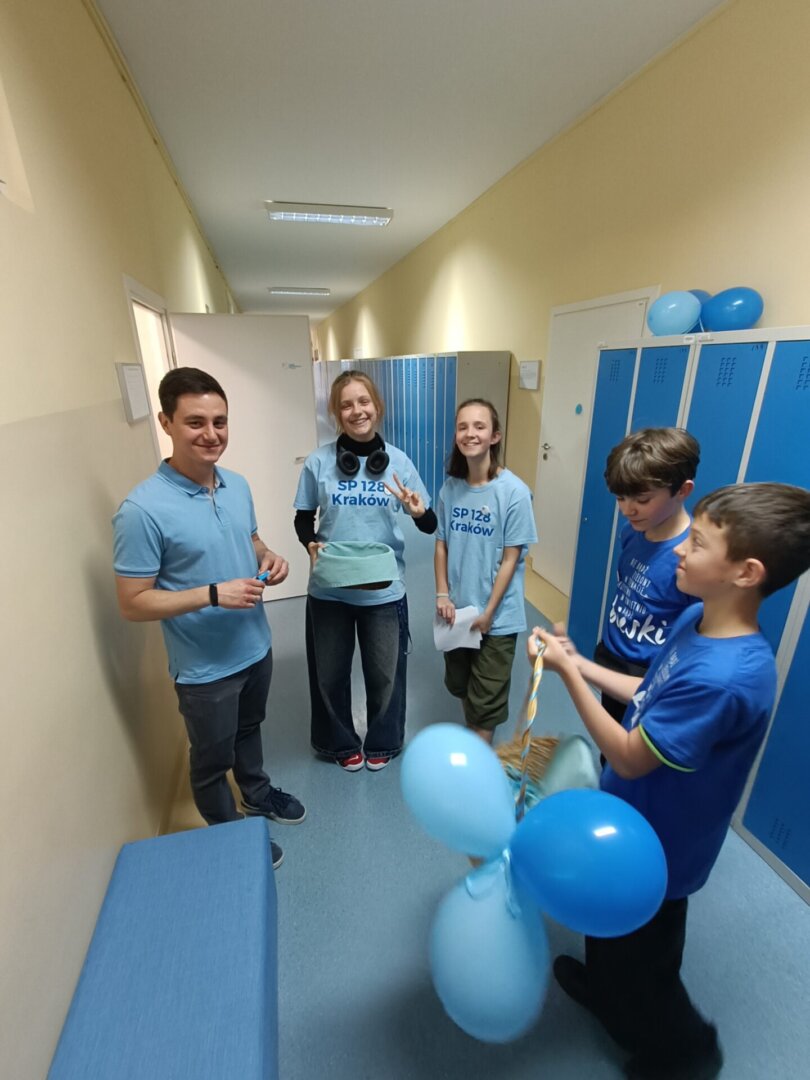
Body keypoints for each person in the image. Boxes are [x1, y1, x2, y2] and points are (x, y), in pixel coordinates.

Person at [530, 482, 810, 1080]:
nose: (680, 548)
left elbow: (631, 756)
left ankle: (688, 1053)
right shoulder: (695, 618)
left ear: (746, 573)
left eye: (699, 543)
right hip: (631, 819)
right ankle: (605, 992)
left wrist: (567, 679)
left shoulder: (727, 678)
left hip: (664, 848)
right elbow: (649, 692)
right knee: (610, 921)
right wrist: (580, 662)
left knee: (647, 963)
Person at [113, 367, 304, 869]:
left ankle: (257, 794)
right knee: (211, 759)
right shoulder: (141, 510)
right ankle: (229, 834)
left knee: (250, 730)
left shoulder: (236, 485)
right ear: (166, 423)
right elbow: (133, 601)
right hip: (205, 669)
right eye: (195, 422)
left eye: (220, 421)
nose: (211, 434)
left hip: (255, 645)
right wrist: (213, 594)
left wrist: (269, 557)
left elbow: (251, 540)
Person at [293, 370, 436, 770]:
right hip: (330, 587)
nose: (357, 411)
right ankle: (338, 743)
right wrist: (310, 544)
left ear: (377, 406)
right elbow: (303, 517)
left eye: (364, 401)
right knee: (329, 674)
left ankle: (383, 741)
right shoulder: (318, 462)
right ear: (336, 413)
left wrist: (417, 511)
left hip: (383, 589)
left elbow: (429, 524)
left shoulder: (399, 462)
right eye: (346, 405)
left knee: (386, 672)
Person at [435, 399, 537, 744]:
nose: (470, 433)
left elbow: (511, 559)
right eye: (462, 427)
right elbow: (441, 544)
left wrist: (490, 612)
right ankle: (474, 736)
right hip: (457, 611)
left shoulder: (514, 493)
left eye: (479, 426)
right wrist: (442, 594)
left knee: (486, 702)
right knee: (461, 685)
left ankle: (477, 766)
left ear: (495, 436)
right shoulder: (451, 489)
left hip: (498, 616)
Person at [595, 427, 700, 724]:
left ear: (683, 491)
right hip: (614, 656)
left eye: (642, 500)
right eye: (620, 498)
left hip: (647, 676)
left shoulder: (693, 558)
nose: (627, 510)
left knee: (629, 747)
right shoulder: (632, 531)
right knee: (609, 741)